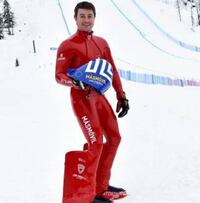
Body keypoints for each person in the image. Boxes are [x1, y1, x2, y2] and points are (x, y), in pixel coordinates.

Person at [55, 2, 129, 203]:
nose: (86, 20)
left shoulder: (101, 43)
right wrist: (74, 82)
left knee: (114, 138)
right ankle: (88, 193)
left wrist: (121, 96)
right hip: (81, 99)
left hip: (98, 97)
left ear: (94, 18)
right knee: (95, 142)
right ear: (75, 18)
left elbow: (111, 70)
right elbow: (58, 75)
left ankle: (101, 186)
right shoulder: (68, 45)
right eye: (82, 16)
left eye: (89, 16)